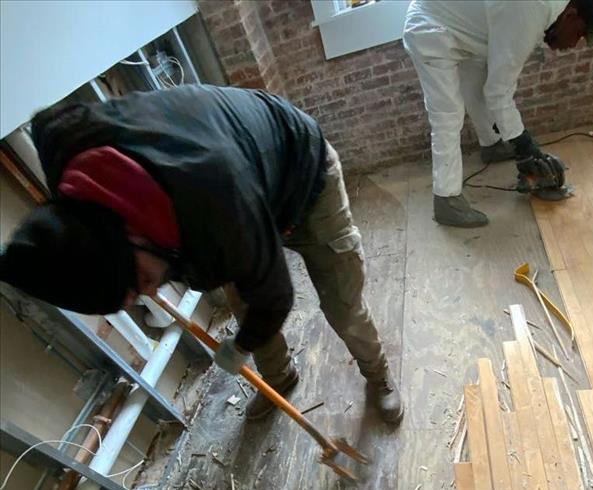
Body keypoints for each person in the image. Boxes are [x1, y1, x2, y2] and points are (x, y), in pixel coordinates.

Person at [0, 85, 404, 423]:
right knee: (246, 308)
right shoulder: (67, 159)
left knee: (342, 304)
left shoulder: (216, 199)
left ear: (131, 232)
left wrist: (240, 347)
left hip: (303, 175)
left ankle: (378, 373)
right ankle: (279, 380)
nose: (151, 293)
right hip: (225, 191)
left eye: (141, 281)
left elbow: (276, 296)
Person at [403, 0, 593, 228]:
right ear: (570, 15)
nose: (573, 44)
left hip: (464, 26)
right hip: (431, 27)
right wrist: (524, 145)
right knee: (447, 115)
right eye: (579, 34)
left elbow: (494, 86)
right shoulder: (530, 8)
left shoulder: (542, 9)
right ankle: (446, 200)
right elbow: (499, 92)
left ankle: (491, 146)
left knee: (476, 89)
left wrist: (519, 141)